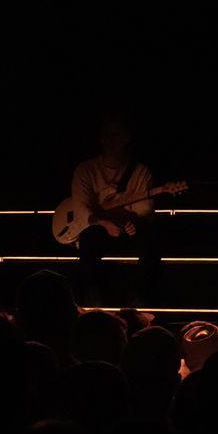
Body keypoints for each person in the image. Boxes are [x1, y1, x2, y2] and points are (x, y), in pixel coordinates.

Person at [68, 115, 164, 308]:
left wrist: (131, 223)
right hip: (98, 230)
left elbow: (145, 211)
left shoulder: (140, 172)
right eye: (106, 135)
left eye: (116, 135)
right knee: (88, 239)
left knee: (152, 239)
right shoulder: (86, 170)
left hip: (129, 232)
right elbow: (81, 207)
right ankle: (93, 304)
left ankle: (140, 302)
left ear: (127, 138)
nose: (110, 141)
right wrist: (105, 224)